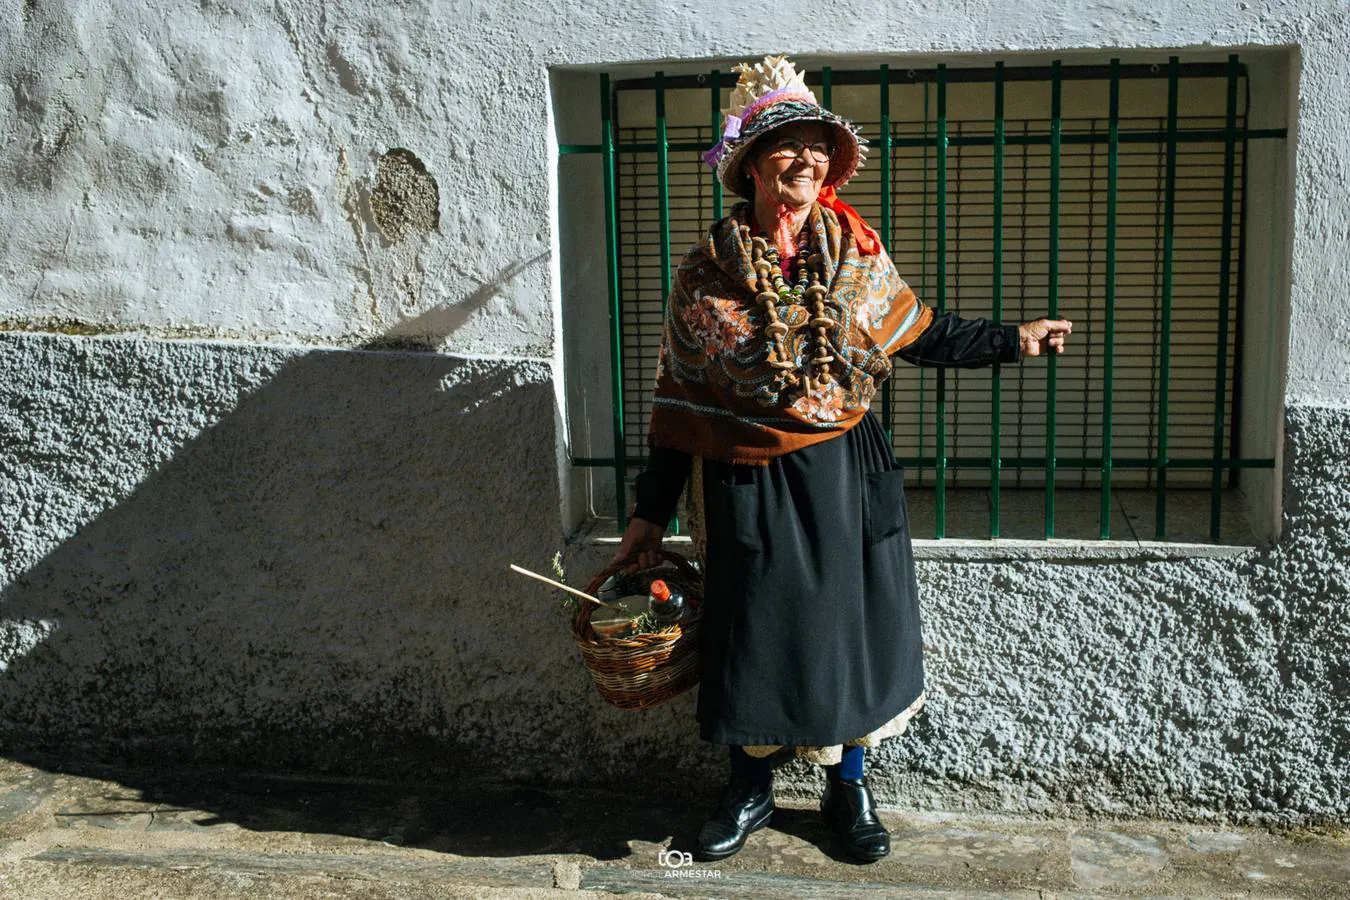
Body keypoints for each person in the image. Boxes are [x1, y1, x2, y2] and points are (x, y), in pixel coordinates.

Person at [612, 55, 1072, 864]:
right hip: (745, 481)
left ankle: (848, 786)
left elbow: (918, 330)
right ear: (752, 164)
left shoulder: (855, 253)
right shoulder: (704, 270)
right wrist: (648, 514)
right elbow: (677, 409)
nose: (808, 160)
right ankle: (748, 789)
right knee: (751, 635)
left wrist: (1014, 340)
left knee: (851, 635)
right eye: (789, 146)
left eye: (818, 147)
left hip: (845, 472)